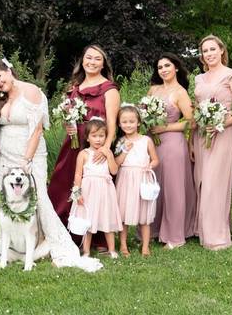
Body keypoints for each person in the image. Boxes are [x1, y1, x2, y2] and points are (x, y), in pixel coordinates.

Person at [0, 59, 102, 271]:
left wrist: (26, 160)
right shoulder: (1, 98)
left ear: (8, 70)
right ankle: (14, 247)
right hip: (4, 157)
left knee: (39, 199)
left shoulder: (31, 92)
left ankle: (56, 244)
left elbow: (37, 130)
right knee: (9, 199)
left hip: (28, 155)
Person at [48, 45, 121, 228]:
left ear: (103, 64)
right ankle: (62, 228)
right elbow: (68, 116)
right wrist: (68, 125)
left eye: (97, 59)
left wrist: (105, 148)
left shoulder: (109, 89)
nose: (92, 62)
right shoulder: (75, 87)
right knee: (64, 183)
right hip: (72, 145)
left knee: (93, 189)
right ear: (83, 60)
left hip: (96, 146)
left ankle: (94, 234)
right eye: (89, 58)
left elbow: (112, 123)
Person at [193, 34, 232, 251]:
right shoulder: (199, 78)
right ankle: (203, 229)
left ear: (222, 51)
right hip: (202, 133)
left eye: (213, 49)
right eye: (205, 51)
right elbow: (197, 107)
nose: (209, 54)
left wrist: (223, 122)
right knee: (202, 181)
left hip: (223, 134)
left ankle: (217, 235)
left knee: (217, 182)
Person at [147, 53, 196, 249]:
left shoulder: (180, 92)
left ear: (176, 68)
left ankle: (175, 236)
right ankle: (154, 229)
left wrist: (164, 128)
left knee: (173, 188)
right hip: (153, 142)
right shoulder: (153, 90)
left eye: (167, 65)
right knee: (154, 184)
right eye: (160, 67)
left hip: (173, 143)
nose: (164, 70)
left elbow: (192, 123)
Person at [71, 118, 121, 258]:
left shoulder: (107, 153)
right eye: (94, 136)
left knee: (107, 218)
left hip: (105, 190)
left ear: (106, 137)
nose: (98, 139)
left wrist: (109, 155)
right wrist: (77, 192)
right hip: (88, 190)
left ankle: (111, 249)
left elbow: (114, 171)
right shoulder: (84, 154)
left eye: (101, 136)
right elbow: (78, 174)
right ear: (87, 138)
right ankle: (86, 251)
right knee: (88, 220)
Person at [114, 105, 159, 257]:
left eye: (132, 121)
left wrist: (150, 165)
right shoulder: (120, 141)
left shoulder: (146, 140)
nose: (128, 125)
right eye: (124, 122)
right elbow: (117, 163)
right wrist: (125, 150)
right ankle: (123, 245)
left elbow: (155, 159)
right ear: (119, 124)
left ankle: (145, 246)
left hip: (142, 178)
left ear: (138, 122)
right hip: (126, 179)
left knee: (144, 215)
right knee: (125, 213)